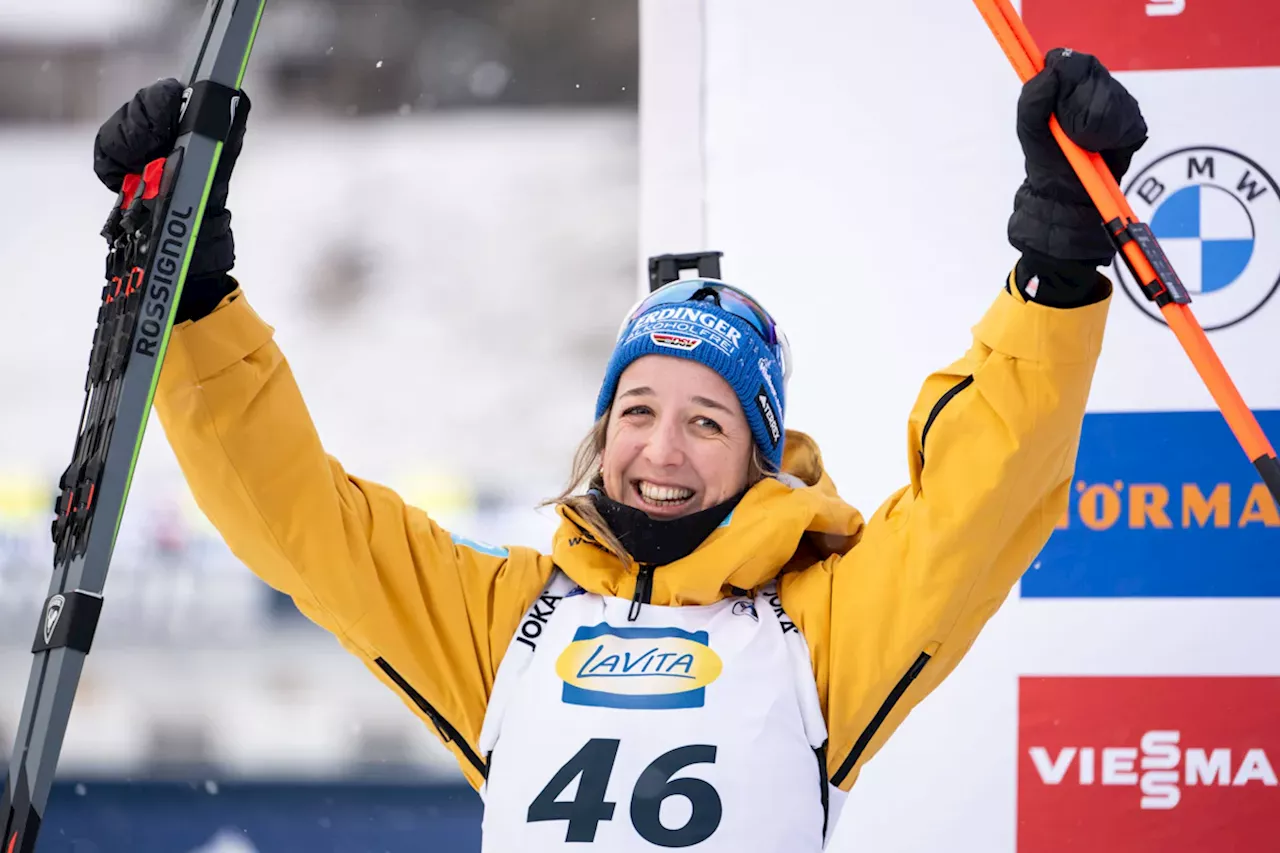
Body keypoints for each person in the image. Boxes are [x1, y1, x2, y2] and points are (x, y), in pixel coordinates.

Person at [93, 47, 1147, 851]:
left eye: (706, 420)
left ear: (756, 457)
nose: (661, 448)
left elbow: (979, 499)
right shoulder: (509, 624)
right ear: (602, 433)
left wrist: (1053, 269)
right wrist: (191, 299)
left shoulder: (818, 635)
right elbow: (297, 519)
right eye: (637, 410)